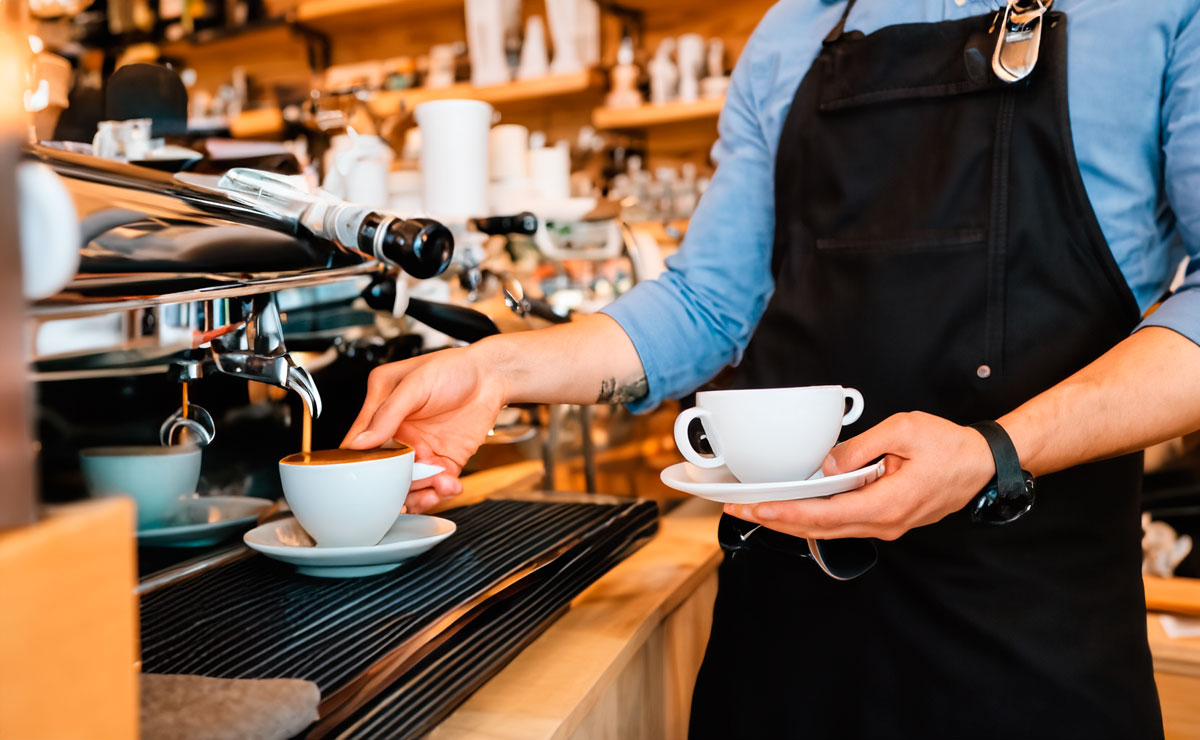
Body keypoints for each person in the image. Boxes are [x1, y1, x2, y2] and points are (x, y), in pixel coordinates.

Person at [344, 1, 1200, 737]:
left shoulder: (1157, 14)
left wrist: (994, 450)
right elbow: (707, 304)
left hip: (1033, 639)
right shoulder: (795, 30)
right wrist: (498, 368)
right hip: (787, 635)